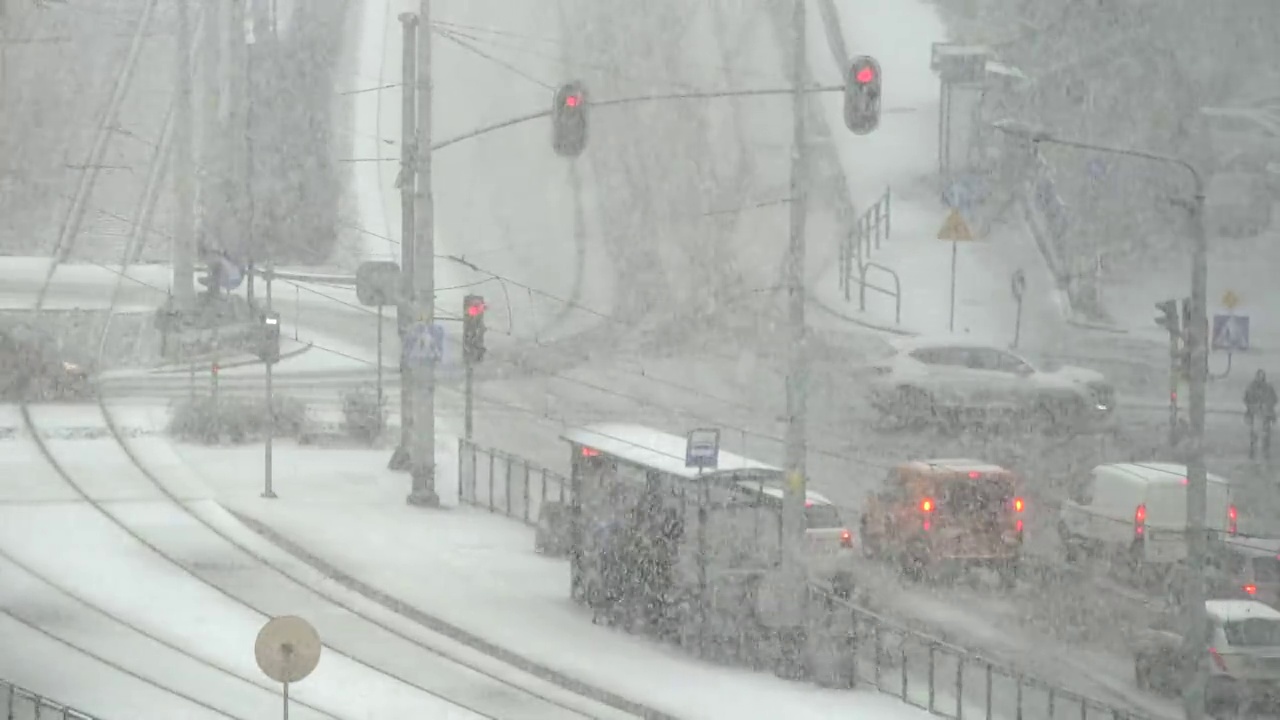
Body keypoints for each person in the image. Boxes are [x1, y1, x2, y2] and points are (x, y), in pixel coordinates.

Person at [1244, 369, 1277, 460]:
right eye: (1258, 376)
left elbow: (1274, 399)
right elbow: (1246, 399)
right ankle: (1253, 451)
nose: (1260, 378)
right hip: (1255, 414)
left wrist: (1267, 406)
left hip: (1266, 414)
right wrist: (1254, 406)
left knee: (1266, 434)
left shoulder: (1269, 388)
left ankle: (1266, 451)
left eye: (1261, 376)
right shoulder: (1251, 388)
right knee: (1254, 433)